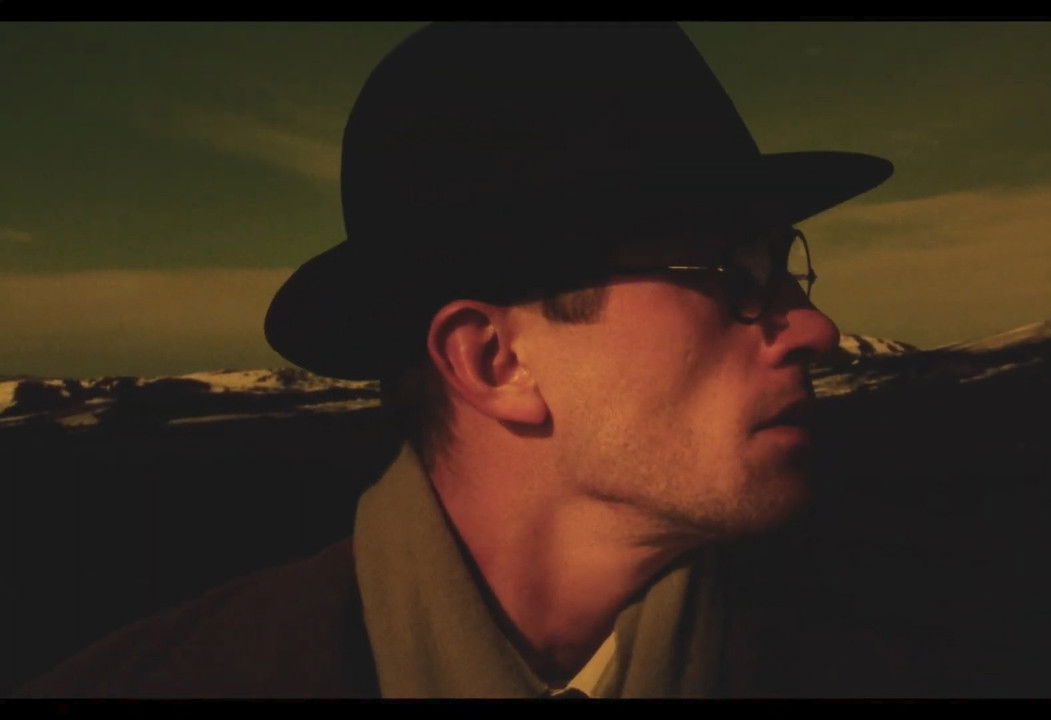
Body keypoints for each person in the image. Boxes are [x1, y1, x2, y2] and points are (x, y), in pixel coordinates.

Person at [18, 21, 892, 698]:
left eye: (784, 267)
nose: (816, 329)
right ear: (494, 361)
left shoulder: (892, 649)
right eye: (732, 273)